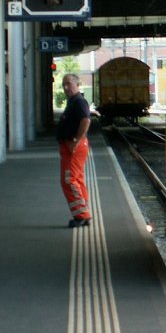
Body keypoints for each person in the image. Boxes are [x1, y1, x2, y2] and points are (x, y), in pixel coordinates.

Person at [57, 74, 92, 228]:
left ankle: (81, 215)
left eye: (69, 84)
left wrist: (77, 140)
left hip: (74, 146)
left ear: (77, 84)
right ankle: (83, 212)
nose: (66, 87)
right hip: (70, 146)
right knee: (76, 179)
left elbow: (86, 120)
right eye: (64, 84)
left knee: (69, 180)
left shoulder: (78, 101)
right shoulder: (73, 101)